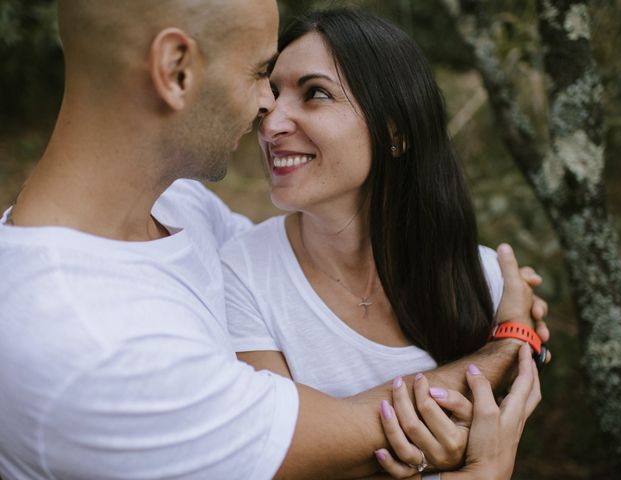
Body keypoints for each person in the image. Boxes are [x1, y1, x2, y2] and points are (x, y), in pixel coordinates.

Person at [0, 1, 545, 479]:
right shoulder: (86, 345)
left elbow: (293, 261)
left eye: (308, 93)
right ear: (176, 70)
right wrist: (507, 351)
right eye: (261, 72)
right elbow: (345, 442)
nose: (267, 109)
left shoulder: (177, 207)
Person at [220, 8, 547, 478]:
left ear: (394, 130)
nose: (270, 124)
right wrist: (509, 346)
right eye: (271, 96)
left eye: (315, 94)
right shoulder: (242, 276)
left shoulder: (486, 279)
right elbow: (280, 456)